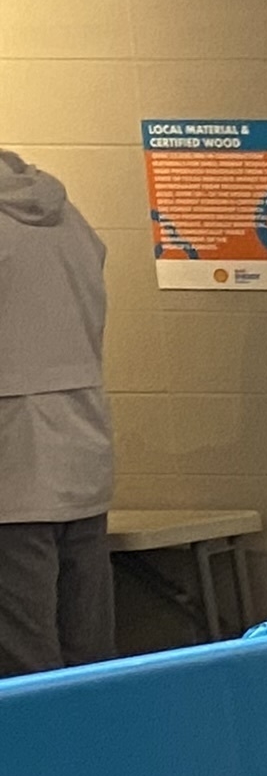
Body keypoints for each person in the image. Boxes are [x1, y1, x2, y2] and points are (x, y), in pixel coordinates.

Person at [0, 148, 112, 674]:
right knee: (88, 653)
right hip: (84, 454)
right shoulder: (69, 218)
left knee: (25, 662)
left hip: (14, 472)